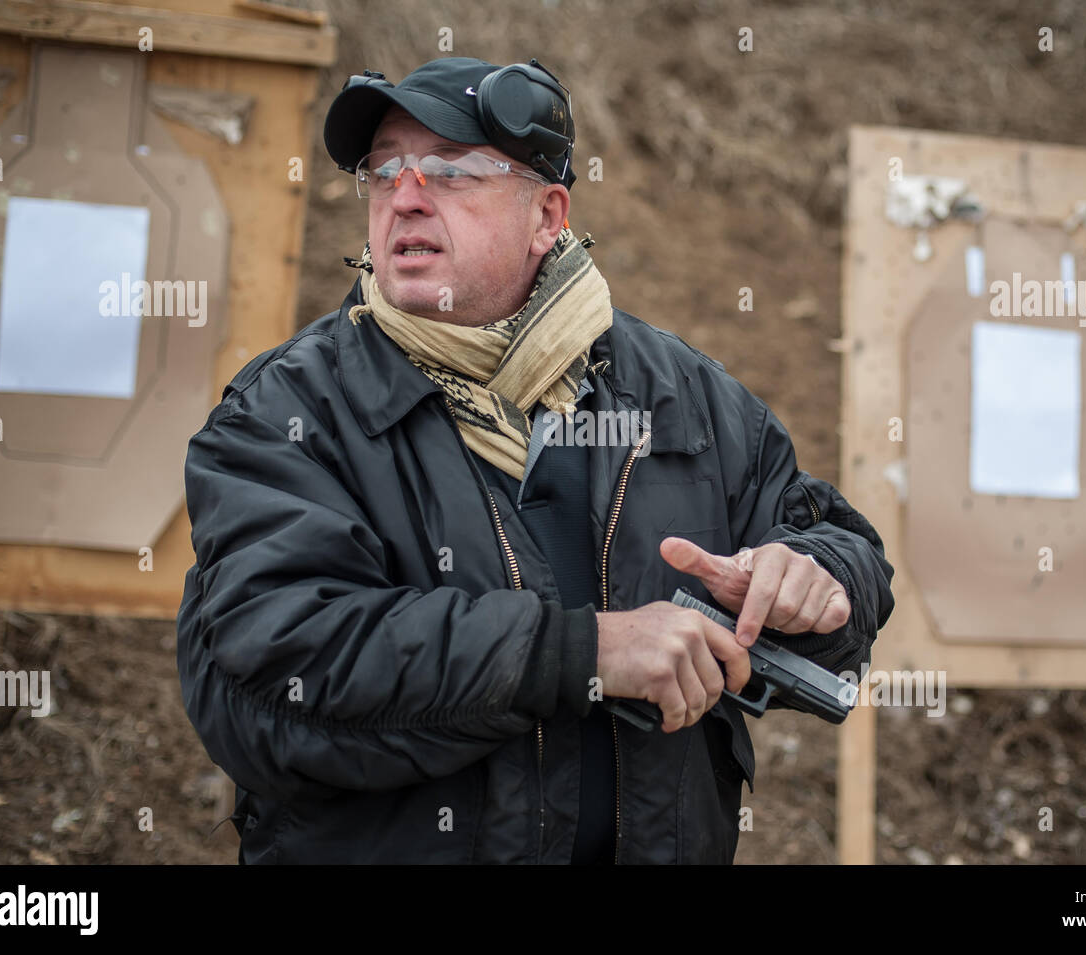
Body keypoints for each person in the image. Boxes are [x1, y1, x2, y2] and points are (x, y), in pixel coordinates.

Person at [176, 56, 894, 864]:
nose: (405, 195)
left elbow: (842, 549)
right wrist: (582, 654)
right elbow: (279, 673)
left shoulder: (679, 393)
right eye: (383, 171)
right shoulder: (288, 411)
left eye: (451, 170)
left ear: (547, 215)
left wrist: (815, 576)